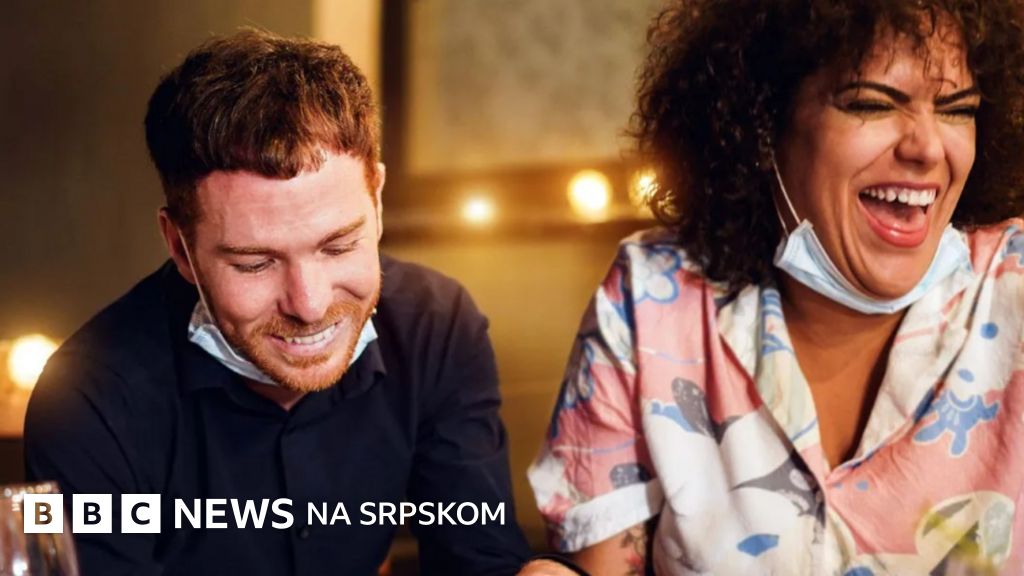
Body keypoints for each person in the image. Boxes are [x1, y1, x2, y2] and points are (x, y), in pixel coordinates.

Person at [520, 0, 1024, 574]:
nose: (928, 148)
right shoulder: (652, 295)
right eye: (871, 104)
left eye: (957, 111)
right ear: (763, 129)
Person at [24, 29, 530, 575]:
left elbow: (480, 557)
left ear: (378, 201)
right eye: (254, 263)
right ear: (180, 247)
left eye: (339, 246)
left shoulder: (438, 325)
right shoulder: (82, 397)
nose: (309, 305)